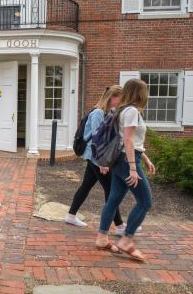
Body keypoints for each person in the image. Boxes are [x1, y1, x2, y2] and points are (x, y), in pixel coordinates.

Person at [95, 79, 155, 262]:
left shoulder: (122, 110)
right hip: (126, 161)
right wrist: (133, 168)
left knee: (113, 200)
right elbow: (128, 141)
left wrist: (145, 158)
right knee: (145, 201)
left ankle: (102, 238)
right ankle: (127, 240)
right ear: (140, 93)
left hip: (123, 159)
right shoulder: (132, 111)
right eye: (145, 91)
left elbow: (130, 140)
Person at [65, 85, 127, 235]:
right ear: (112, 97)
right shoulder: (98, 113)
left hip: (95, 157)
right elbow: (98, 140)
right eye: (120, 98)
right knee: (111, 190)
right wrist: (102, 163)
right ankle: (119, 226)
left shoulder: (107, 112)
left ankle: (71, 215)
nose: (122, 101)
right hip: (96, 158)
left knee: (86, 185)